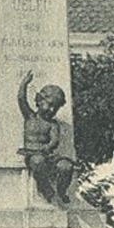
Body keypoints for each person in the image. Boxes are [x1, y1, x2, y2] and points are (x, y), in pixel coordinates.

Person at [18, 70, 74, 205]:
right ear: (39, 101)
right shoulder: (30, 117)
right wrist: (24, 83)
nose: (51, 110)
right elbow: (21, 99)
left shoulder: (52, 124)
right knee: (37, 162)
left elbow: (54, 140)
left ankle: (62, 190)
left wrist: (47, 147)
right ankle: (47, 190)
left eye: (55, 108)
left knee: (66, 166)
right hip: (32, 154)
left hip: (48, 154)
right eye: (48, 105)